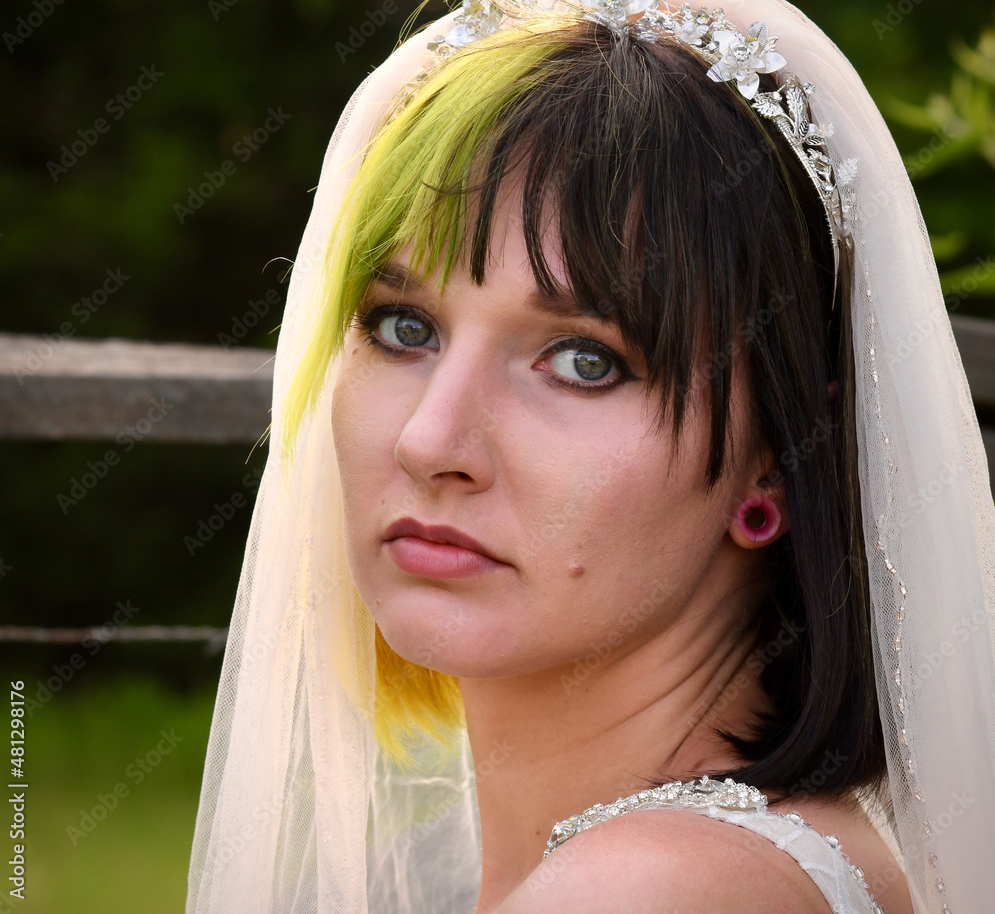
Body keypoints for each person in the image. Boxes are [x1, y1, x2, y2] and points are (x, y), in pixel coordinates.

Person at [186, 2, 995, 913]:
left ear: (777, 452)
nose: (430, 441)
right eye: (403, 327)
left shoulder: (647, 892)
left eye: (582, 361)